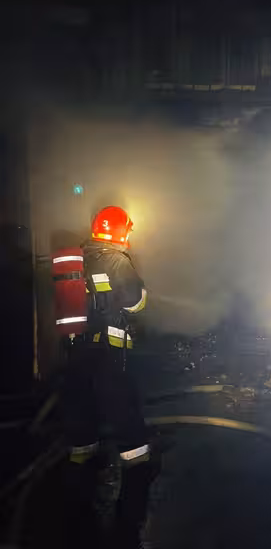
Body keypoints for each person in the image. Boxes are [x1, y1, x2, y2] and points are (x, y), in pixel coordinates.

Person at [61, 206, 152, 549]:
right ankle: (135, 494)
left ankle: (76, 498)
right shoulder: (116, 260)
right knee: (127, 421)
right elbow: (135, 303)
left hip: (77, 355)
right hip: (109, 357)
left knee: (83, 424)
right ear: (119, 231)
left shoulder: (78, 257)